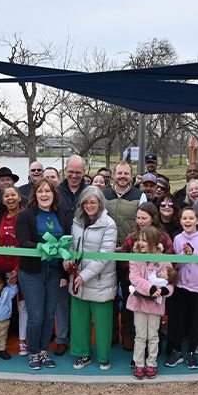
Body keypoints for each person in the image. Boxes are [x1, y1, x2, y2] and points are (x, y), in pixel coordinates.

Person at [16, 177, 69, 370]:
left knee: (49, 315)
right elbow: (23, 242)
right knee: (36, 315)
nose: (44, 195)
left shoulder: (61, 215)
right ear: (34, 194)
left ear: (54, 195)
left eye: (48, 191)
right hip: (32, 272)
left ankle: (44, 350)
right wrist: (44, 247)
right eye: (40, 191)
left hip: (54, 272)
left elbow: (66, 244)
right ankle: (33, 352)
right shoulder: (25, 215)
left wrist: (64, 274)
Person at [67, 186, 117, 371]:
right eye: (86, 201)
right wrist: (69, 261)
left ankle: (104, 357)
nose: (89, 205)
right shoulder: (76, 221)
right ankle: (83, 354)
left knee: (102, 322)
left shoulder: (109, 224)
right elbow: (73, 246)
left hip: (100, 280)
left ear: (100, 203)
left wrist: (84, 275)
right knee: (79, 321)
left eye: (93, 201)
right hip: (78, 279)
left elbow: (105, 255)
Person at [164, 207, 198, 370]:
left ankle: (191, 353)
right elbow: (175, 265)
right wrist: (184, 257)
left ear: (197, 221)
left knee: (195, 321)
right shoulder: (178, 238)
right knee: (178, 320)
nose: (187, 221)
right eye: (184, 218)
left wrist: (194, 253)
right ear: (180, 221)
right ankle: (177, 351)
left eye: (191, 218)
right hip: (181, 286)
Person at [104, 161, 146, 350]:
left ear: (131, 176)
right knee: (110, 294)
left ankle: (127, 332)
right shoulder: (103, 195)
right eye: (119, 173)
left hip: (130, 253)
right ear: (113, 174)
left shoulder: (140, 195)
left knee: (130, 293)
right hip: (109, 253)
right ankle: (111, 330)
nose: (122, 176)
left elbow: (145, 223)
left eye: (126, 173)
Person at [127, 226, 174, 379]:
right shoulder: (134, 258)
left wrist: (166, 290)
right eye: (139, 240)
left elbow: (170, 280)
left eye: (144, 241)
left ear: (153, 242)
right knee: (140, 335)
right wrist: (151, 288)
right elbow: (134, 278)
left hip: (156, 305)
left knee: (153, 336)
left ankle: (152, 363)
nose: (140, 243)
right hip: (139, 303)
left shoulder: (163, 260)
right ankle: (139, 363)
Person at [0, 185, 28, 356]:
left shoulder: (26, 216)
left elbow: (27, 244)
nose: (10, 198)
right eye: (6, 196)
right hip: (0, 269)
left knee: (22, 306)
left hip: (21, 268)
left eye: (13, 195)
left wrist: (18, 270)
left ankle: (23, 341)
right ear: (2, 200)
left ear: (19, 197)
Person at [56, 155, 88, 355]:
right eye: (71, 171)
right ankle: (62, 337)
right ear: (65, 170)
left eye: (78, 172)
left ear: (84, 172)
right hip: (60, 248)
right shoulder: (56, 191)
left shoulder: (91, 191)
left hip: (85, 248)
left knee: (80, 295)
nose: (74, 175)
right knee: (61, 296)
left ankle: (78, 337)